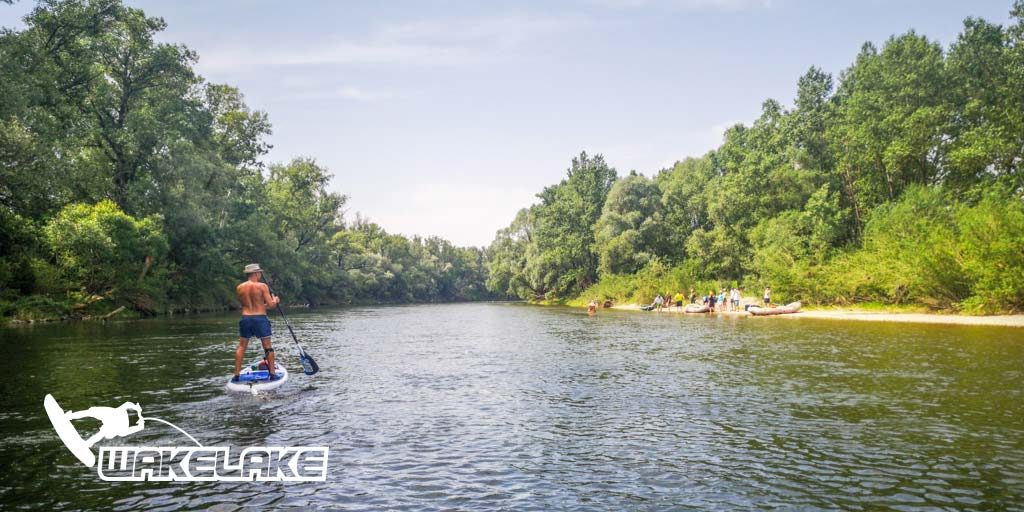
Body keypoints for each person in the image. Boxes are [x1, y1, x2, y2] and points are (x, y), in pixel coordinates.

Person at [234, 263, 281, 382]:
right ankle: (273, 374)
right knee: (268, 347)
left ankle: (236, 375)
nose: (260, 274)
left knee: (241, 346)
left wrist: (264, 304)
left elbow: (247, 304)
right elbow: (270, 306)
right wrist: (275, 301)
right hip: (260, 318)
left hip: (246, 318)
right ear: (255, 273)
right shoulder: (262, 286)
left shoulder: (240, 287)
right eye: (259, 272)